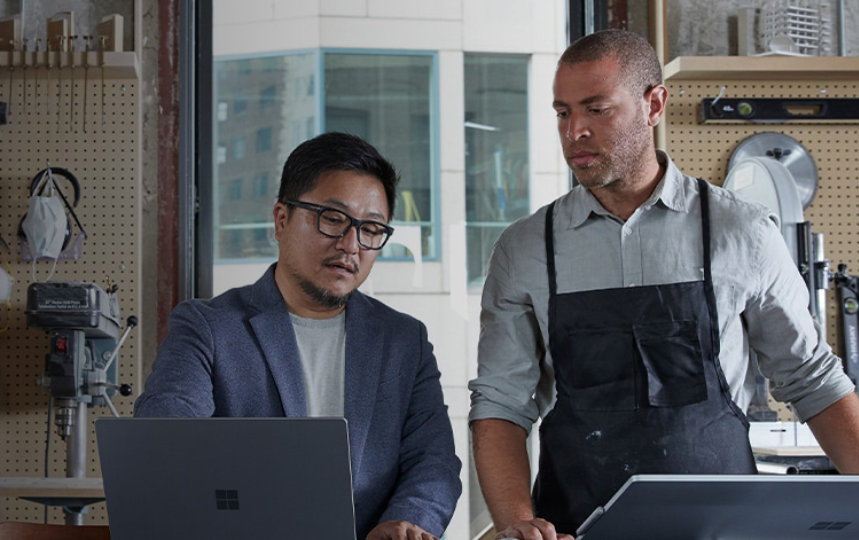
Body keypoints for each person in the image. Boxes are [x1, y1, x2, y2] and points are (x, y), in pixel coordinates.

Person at [469, 29, 859, 540]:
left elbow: (812, 379)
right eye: (563, 113)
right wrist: (517, 523)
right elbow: (501, 403)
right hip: (574, 529)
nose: (575, 132)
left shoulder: (740, 231)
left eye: (597, 109)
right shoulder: (524, 248)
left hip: (722, 528)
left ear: (654, 104)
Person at [135, 132, 462, 540]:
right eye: (333, 219)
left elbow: (434, 462)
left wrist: (405, 523)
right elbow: (162, 447)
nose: (351, 245)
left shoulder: (403, 341)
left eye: (371, 228)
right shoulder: (208, 328)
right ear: (282, 219)